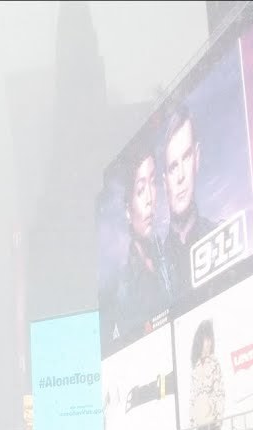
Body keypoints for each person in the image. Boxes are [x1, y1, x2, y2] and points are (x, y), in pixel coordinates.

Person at [101, 148, 171, 346]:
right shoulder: (124, 287)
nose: (150, 198)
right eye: (140, 190)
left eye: (153, 183)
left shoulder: (166, 253)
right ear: (127, 210)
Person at [162, 105, 218, 294]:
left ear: (197, 158)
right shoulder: (156, 271)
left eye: (186, 158)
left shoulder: (218, 237)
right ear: (164, 183)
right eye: (172, 167)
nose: (180, 177)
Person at [189, 319, 225, 430]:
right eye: (206, 340)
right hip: (199, 425)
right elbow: (193, 398)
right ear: (200, 341)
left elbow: (219, 394)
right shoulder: (196, 367)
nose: (209, 343)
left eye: (210, 340)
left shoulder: (215, 364)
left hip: (211, 423)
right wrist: (191, 424)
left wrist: (219, 423)